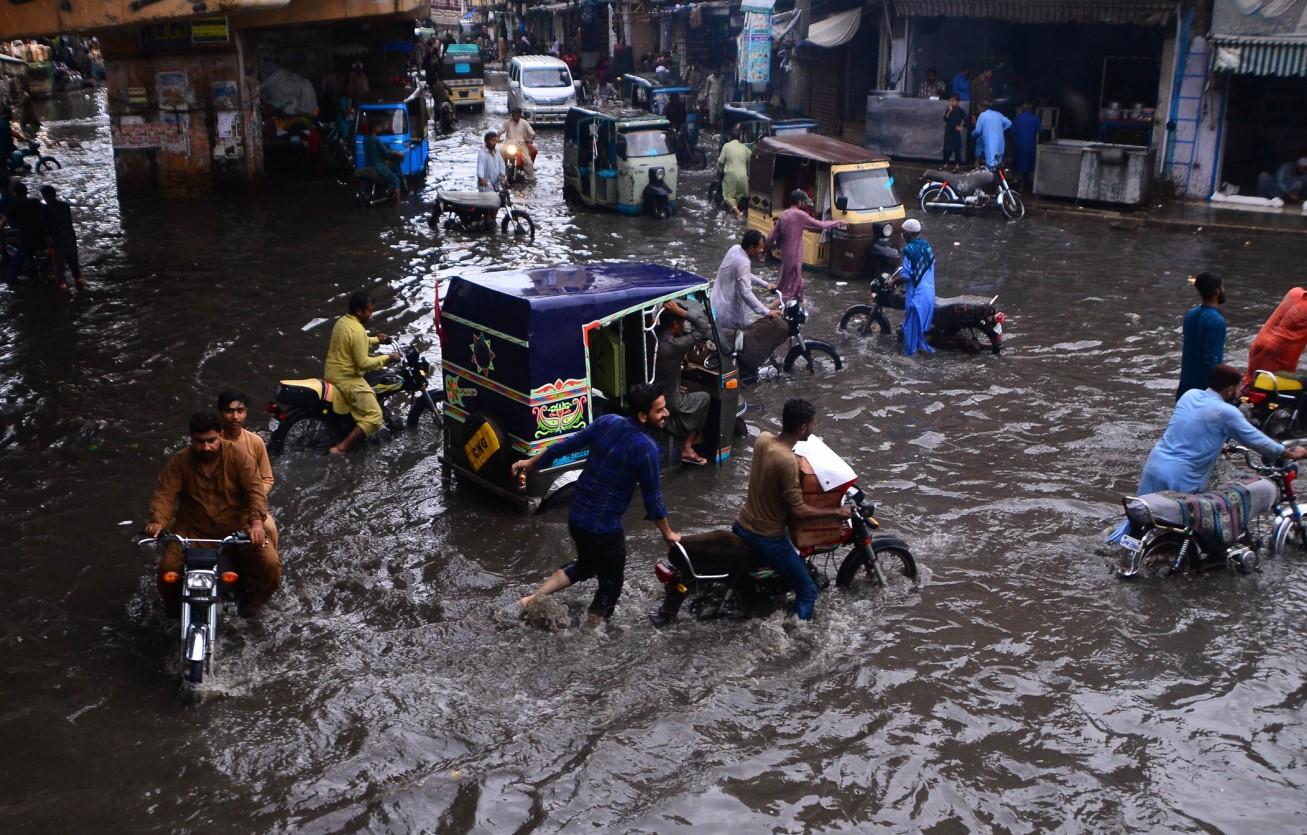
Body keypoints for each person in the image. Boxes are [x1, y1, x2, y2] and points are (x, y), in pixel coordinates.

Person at [511, 383, 681, 625]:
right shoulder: (646, 449)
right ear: (643, 416)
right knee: (611, 586)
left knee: (586, 565)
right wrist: (668, 534)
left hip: (577, 516)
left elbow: (564, 446)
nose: (666, 414)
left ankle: (530, 600)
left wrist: (531, 462)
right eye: (660, 411)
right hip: (604, 528)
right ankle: (588, 639)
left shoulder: (608, 422)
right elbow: (653, 501)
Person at [1109, 365, 1307, 543]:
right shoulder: (1227, 412)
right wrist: (1289, 452)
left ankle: (1121, 546)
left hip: (1155, 465)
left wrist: (1218, 445)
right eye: (1238, 388)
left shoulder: (1190, 395)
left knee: (1142, 517)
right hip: (1181, 475)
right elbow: (1258, 441)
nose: (1240, 393)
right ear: (1229, 390)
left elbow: (1189, 427)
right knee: (1188, 530)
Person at [144, 413, 281, 619]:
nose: (206, 447)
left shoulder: (240, 456)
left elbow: (255, 491)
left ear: (221, 435)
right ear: (191, 439)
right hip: (192, 530)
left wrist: (256, 524)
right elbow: (165, 494)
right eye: (199, 442)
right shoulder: (180, 461)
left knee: (269, 565)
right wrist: (157, 521)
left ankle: (254, 602)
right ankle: (174, 610)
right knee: (167, 571)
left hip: (238, 529)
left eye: (211, 441)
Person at [732, 399, 852, 620]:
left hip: (743, 522)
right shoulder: (787, 461)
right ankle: (794, 633)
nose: (814, 428)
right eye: (813, 424)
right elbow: (798, 511)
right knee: (808, 591)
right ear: (803, 428)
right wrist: (837, 512)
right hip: (766, 536)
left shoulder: (764, 439)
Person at [323, 291, 401, 455]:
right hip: (346, 378)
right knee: (375, 415)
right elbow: (363, 363)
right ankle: (342, 447)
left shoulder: (343, 322)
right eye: (369, 311)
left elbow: (357, 341)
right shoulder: (357, 330)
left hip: (331, 372)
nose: (371, 314)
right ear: (359, 311)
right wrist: (387, 358)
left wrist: (377, 339)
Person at [710, 230, 785, 379]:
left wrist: (765, 284)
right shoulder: (743, 262)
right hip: (729, 311)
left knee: (731, 344)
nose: (762, 250)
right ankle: (742, 375)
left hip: (716, 303)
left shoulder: (735, 249)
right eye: (760, 248)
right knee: (739, 345)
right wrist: (766, 312)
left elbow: (744, 275)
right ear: (751, 248)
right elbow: (746, 293)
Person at [216, 389, 278, 550]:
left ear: (246, 412)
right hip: (216, 502)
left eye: (240, 411)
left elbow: (267, 478)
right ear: (221, 413)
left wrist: (254, 497)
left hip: (250, 504)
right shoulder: (210, 442)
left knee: (270, 529)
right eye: (229, 411)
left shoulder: (255, 442)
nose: (235, 417)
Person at [656, 302, 713, 465]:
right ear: (675, 324)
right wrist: (681, 312)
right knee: (704, 397)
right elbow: (704, 328)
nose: (684, 326)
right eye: (682, 323)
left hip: (662, 388)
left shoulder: (656, 336)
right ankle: (687, 447)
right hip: (670, 401)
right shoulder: (674, 345)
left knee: (687, 388)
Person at [766, 190, 845, 301]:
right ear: (799, 202)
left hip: (786, 256)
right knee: (789, 291)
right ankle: (769, 312)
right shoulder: (800, 215)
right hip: (795, 257)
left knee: (794, 285)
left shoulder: (783, 215)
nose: (805, 204)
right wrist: (838, 222)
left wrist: (766, 249)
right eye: (804, 202)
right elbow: (821, 225)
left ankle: (797, 309)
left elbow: (771, 237)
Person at [1176, 272, 1227, 401]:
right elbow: (1210, 361)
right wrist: (1219, 391)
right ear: (1217, 291)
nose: (1223, 290)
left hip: (1185, 390)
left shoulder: (1190, 314)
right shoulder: (1217, 321)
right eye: (1222, 287)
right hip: (1204, 393)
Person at [1244, 287, 1307, 387]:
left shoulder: (1295, 292)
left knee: (1252, 380)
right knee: (1270, 388)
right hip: (1279, 352)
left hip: (1260, 342)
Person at [898, 218, 936, 356]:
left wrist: (893, 282)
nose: (902, 235)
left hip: (916, 296)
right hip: (929, 293)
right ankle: (920, 348)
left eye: (904, 233)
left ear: (909, 233)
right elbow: (921, 270)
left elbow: (906, 275)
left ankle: (910, 357)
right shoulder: (926, 247)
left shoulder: (909, 250)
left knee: (910, 327)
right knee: (917, 328)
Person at [39, 185, 82, 289]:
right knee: (74, 263)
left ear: (44, 196)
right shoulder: (65, 205)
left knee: (59, 267)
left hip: (57, 241)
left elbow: (46, 229)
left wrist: (48, 243)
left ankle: (63, 289)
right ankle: (79, 281)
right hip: (70, 238)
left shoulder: (45, 209)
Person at [3, 182, 46, 285]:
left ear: (14, 194)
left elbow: (3, 222)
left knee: (13, 268)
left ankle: (10, 284)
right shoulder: (35, 202)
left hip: (27, 241)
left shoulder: (14, 207)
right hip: (42, 236)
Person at [363, 121, 403, 202]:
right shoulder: (376, 139)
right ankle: (399, 204)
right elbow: (386, 153)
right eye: (379, 127)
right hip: (378, 166)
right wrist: (397, 153)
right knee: (396, 180)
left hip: (368, 164)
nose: (380, 129)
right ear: (375, 128)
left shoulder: (365, 139)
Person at [716, 126, 752, 218]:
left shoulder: (726, 146)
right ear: (740, 138)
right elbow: (751, 158)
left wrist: (719, 169)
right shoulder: (744, 148)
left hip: (731, 176)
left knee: (728, 196)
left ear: (730, 137)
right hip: (743, 176)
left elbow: (720, 162)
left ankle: (738, 213)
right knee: (744, 194)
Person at [971, 101, 1012, 169]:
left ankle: (985, 173)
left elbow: (978, 131)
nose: (978, 109)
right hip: (999, 141)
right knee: (998, 161)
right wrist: (1001, 130)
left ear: (982, 107)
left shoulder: (982, 115)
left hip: (989, 142)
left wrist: (972, 135)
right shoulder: (998, 114)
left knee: (990, 163)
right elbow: (1009, 123)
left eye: (978, 107)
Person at [500, 107, 537, 180]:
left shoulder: (524, 123)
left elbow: (532, 133)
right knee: (500, 152)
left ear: (520, 115)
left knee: (528, 162)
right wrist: (497, 137)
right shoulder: (507, 122)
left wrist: (530, 139)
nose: (513, 117)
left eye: (515, 115)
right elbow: (501, 131)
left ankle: (530, 178)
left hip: (521, 146)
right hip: (509, 145)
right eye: (512, 115)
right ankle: (502, 171)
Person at [1011, 102, 1041, 189]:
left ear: (1023, 109)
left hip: (1018, 146)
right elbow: (1041, 132)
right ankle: (1023, 184)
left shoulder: (1018, 118)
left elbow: (1012, 132)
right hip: (1030, 146)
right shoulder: (1035, 119)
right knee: (1027, 166)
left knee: (1017, 164)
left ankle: (1017, 182)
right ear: (1032, 110)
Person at [942, 95, 965, 172]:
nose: (951, 103)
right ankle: (945, 164)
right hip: (948, 131)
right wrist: (949, 111)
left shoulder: (960, 110)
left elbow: (966, 119)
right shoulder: (949, 109)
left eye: (953, 101)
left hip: (956, 131)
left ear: (957, 102)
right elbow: (945, 118)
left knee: (957, 148)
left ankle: (957, 165)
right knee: (946, 149)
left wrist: (961, 127)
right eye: (950, 101)